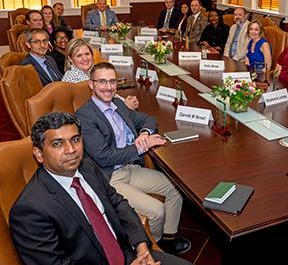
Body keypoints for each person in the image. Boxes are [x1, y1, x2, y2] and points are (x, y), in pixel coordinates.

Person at [9, 112, 191, 265]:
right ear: (39, 154)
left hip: (129, 254)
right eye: (57, 143)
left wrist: (141, 246)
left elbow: (119, 204)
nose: (71, 150)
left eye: (75, 139)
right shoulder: (30, 210)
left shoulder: (87, 167)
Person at [75, 62, 190, 255]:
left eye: (112, 82)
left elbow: (148, 119)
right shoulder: (84, 116)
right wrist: (139, 146)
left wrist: (144, 133)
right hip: (110, 177)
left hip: (130, 167)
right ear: (91, 84)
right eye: (102, 81)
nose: (108, 87)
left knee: (176, 189)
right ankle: (154, 250)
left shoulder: (118, 104)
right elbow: (104, 157)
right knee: (156, 210)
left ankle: (168, 239)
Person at [62, 39, 139, 110]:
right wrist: (126, 106)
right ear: (70, 59)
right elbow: (101, 105)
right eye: (79, 55)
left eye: (87, 54)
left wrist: (125, 101)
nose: (85, 58)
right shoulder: (75, 80)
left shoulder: (87, 72)